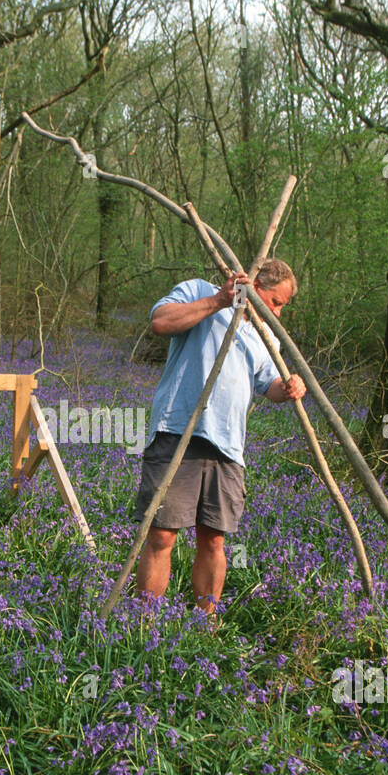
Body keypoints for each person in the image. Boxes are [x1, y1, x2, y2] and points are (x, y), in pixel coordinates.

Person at [133, 259, 306, 615]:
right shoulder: (200, 291)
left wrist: (286, 388)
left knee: (213, 539)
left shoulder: (266, 335)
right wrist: (219, 302)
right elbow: (160, 322)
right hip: (178, 430)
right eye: (276, 302)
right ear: (256, 288)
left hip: (227, 445)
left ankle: (204, 624)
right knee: (162, 534)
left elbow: (267, 386)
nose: (278, 313)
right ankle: (144, 626)